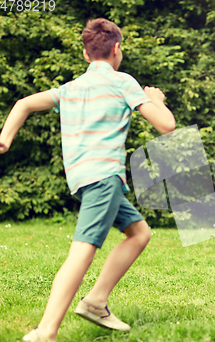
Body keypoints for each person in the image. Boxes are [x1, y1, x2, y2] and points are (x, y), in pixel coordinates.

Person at [0, 18, 175, 341]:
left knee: (139, 233)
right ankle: (46, 331)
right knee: (81, 252)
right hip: (104, 177)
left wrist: (5, 139)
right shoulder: (123, 82)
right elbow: (166, 125)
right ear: (117, 49)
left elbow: (23, 103)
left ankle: (96, 301)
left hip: (82, 179)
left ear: (85, 54)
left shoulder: (71, 88)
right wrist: (157, 100)